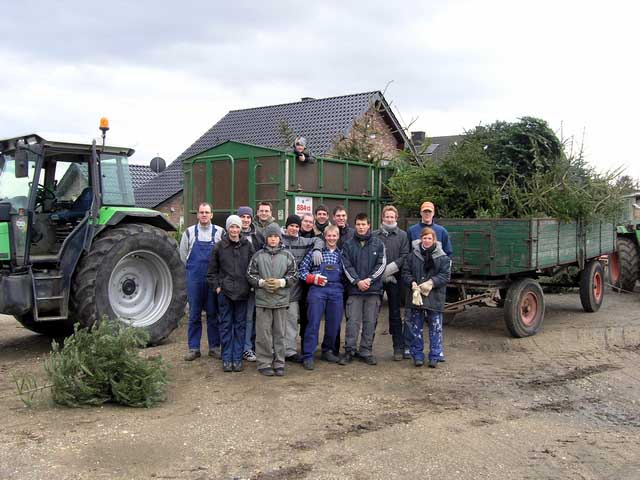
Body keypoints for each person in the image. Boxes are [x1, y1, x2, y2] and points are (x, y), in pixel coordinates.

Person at [247, 223, 297, 377]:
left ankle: (279, 362)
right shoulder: (258, 256)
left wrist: (281, 282)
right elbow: (250, 275)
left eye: (276, 236)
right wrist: (261, 283)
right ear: (266, 238)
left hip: (281, 301)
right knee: (264, 334)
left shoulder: (287, 256)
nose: (273, 239)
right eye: (270, 236)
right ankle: (264, 362)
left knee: (280, 334)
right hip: (263, 301)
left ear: (279, 238)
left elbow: (294, 275)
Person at [206, 215, 255, 372]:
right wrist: (217, 287)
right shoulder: (219, 247)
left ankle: (237, 358)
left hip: (242, 292)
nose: (234, 230)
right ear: (227, 229)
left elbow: (253, 267)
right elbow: (212, 271)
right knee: (226, 325)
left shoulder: (247, 246)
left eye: (237, 227)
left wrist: (249, 285)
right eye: (232, 227)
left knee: (240, 326)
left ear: (241, 229)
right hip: (225, 293)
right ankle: (227, 358)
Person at [339, 212, 386, 366]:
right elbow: (346, 265)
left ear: (369, 225)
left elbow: (382, 264)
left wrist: (369, 280)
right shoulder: (348, 244)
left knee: (370, 321)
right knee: (352, 322)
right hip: (354, 290)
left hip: (373, 290)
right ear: (355, 225)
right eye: (358, 224)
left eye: (363, 224)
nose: (360, 227)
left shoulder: (378, 244)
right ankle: (349, 350)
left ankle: (366, 350)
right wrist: (357, 281)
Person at [179, 202, 223, 361]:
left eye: (207, 212)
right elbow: (183, 257)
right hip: (195, 280)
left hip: (212, 280)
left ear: (211, 215)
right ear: (197, 215)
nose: (204, 215)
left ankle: (214, 347)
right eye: (201, 212)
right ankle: (194, 348)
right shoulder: (189, 233)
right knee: (194, 314)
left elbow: (222, 257)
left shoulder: (219, 232)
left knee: (213, 313)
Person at [402, 227, 451, 368]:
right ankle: (417, 355)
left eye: (429, 238)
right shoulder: (412, 256)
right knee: (416, 327)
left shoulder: (443, 257)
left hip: (435, 297)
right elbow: (405, 272)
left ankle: (435, 355)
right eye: (424, 238)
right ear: (420, 239)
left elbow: (445, 275)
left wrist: (432, 282)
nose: (427, 240)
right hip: (416, 297)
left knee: (435, 327)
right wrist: (411, 282)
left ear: (434, 239)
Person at [298, 225, 343, 370]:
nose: (331, 238)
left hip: (336, 289)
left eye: (334, 236)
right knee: (313, 322)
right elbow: (301, 271)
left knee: (334, 323)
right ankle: (308, 355)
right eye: (329, 236)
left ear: (338, 237)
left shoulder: (340, 254)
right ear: (324, 236)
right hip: (318, 290)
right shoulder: (315, 252)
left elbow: (347, 274)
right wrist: (313, 278)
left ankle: (327, 351)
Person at [280, 214, 323, 362]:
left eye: (296, 226)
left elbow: (318, 239)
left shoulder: (303, 241)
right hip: (278, 290)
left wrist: (317, 249)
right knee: (277, 323)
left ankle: (290, 351)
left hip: (294, 292)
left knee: (292, 322)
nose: (293, 228)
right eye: (291, 225)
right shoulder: (279, 240)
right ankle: (276, 350)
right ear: (286, 227)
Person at [373, 205, 410, 361]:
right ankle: (366, 348)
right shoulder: (375, 235)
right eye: (386, 216)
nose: (389, 219)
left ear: (396, 218)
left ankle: (398, 348)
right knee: (372, 313)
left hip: (395, 279)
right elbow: (370, 256)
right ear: (382, 218)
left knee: (395, 313)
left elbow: (405, 256)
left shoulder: (402, 236)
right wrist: (380, 274)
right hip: (376, 280)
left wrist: (390, 269)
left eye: (392, 217)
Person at [237, 206, 264, 363]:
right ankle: (245, 347)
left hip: (254, 282)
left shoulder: (258, 236)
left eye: (248, 217)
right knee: (243, 317)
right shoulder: (232, 233)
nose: (245, 220)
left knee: (253, 316)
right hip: (238, 282)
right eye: (243, 217)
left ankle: (251, 345)